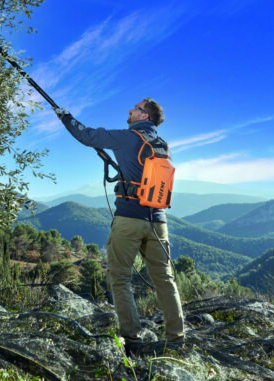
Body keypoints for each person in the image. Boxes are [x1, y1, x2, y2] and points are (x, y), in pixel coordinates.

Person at [55, 98, 185, 348]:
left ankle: (131, 337)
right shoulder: (160, 144)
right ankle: (177, 338)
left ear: (144, 116)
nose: (130, 110)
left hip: (129, 219)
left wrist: (65, 117)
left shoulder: (128, 137)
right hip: (158, 221)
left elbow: (87, 136)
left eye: (136, 109)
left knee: (120, 278)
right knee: (165, 280)